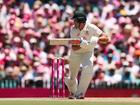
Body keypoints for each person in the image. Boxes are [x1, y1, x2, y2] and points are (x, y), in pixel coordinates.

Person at [65, 10, 109, 99]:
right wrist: (85, 44)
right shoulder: (73, 29)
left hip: (88, 53)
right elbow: (74, 47)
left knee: (88, 69)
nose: (74, 22)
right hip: (76, 53)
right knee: (72, 76)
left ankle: (80, 93)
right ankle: (73, 92)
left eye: (75, 21)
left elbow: (106, 38)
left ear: (81, 21)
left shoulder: (91, 27)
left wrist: (96, 40)